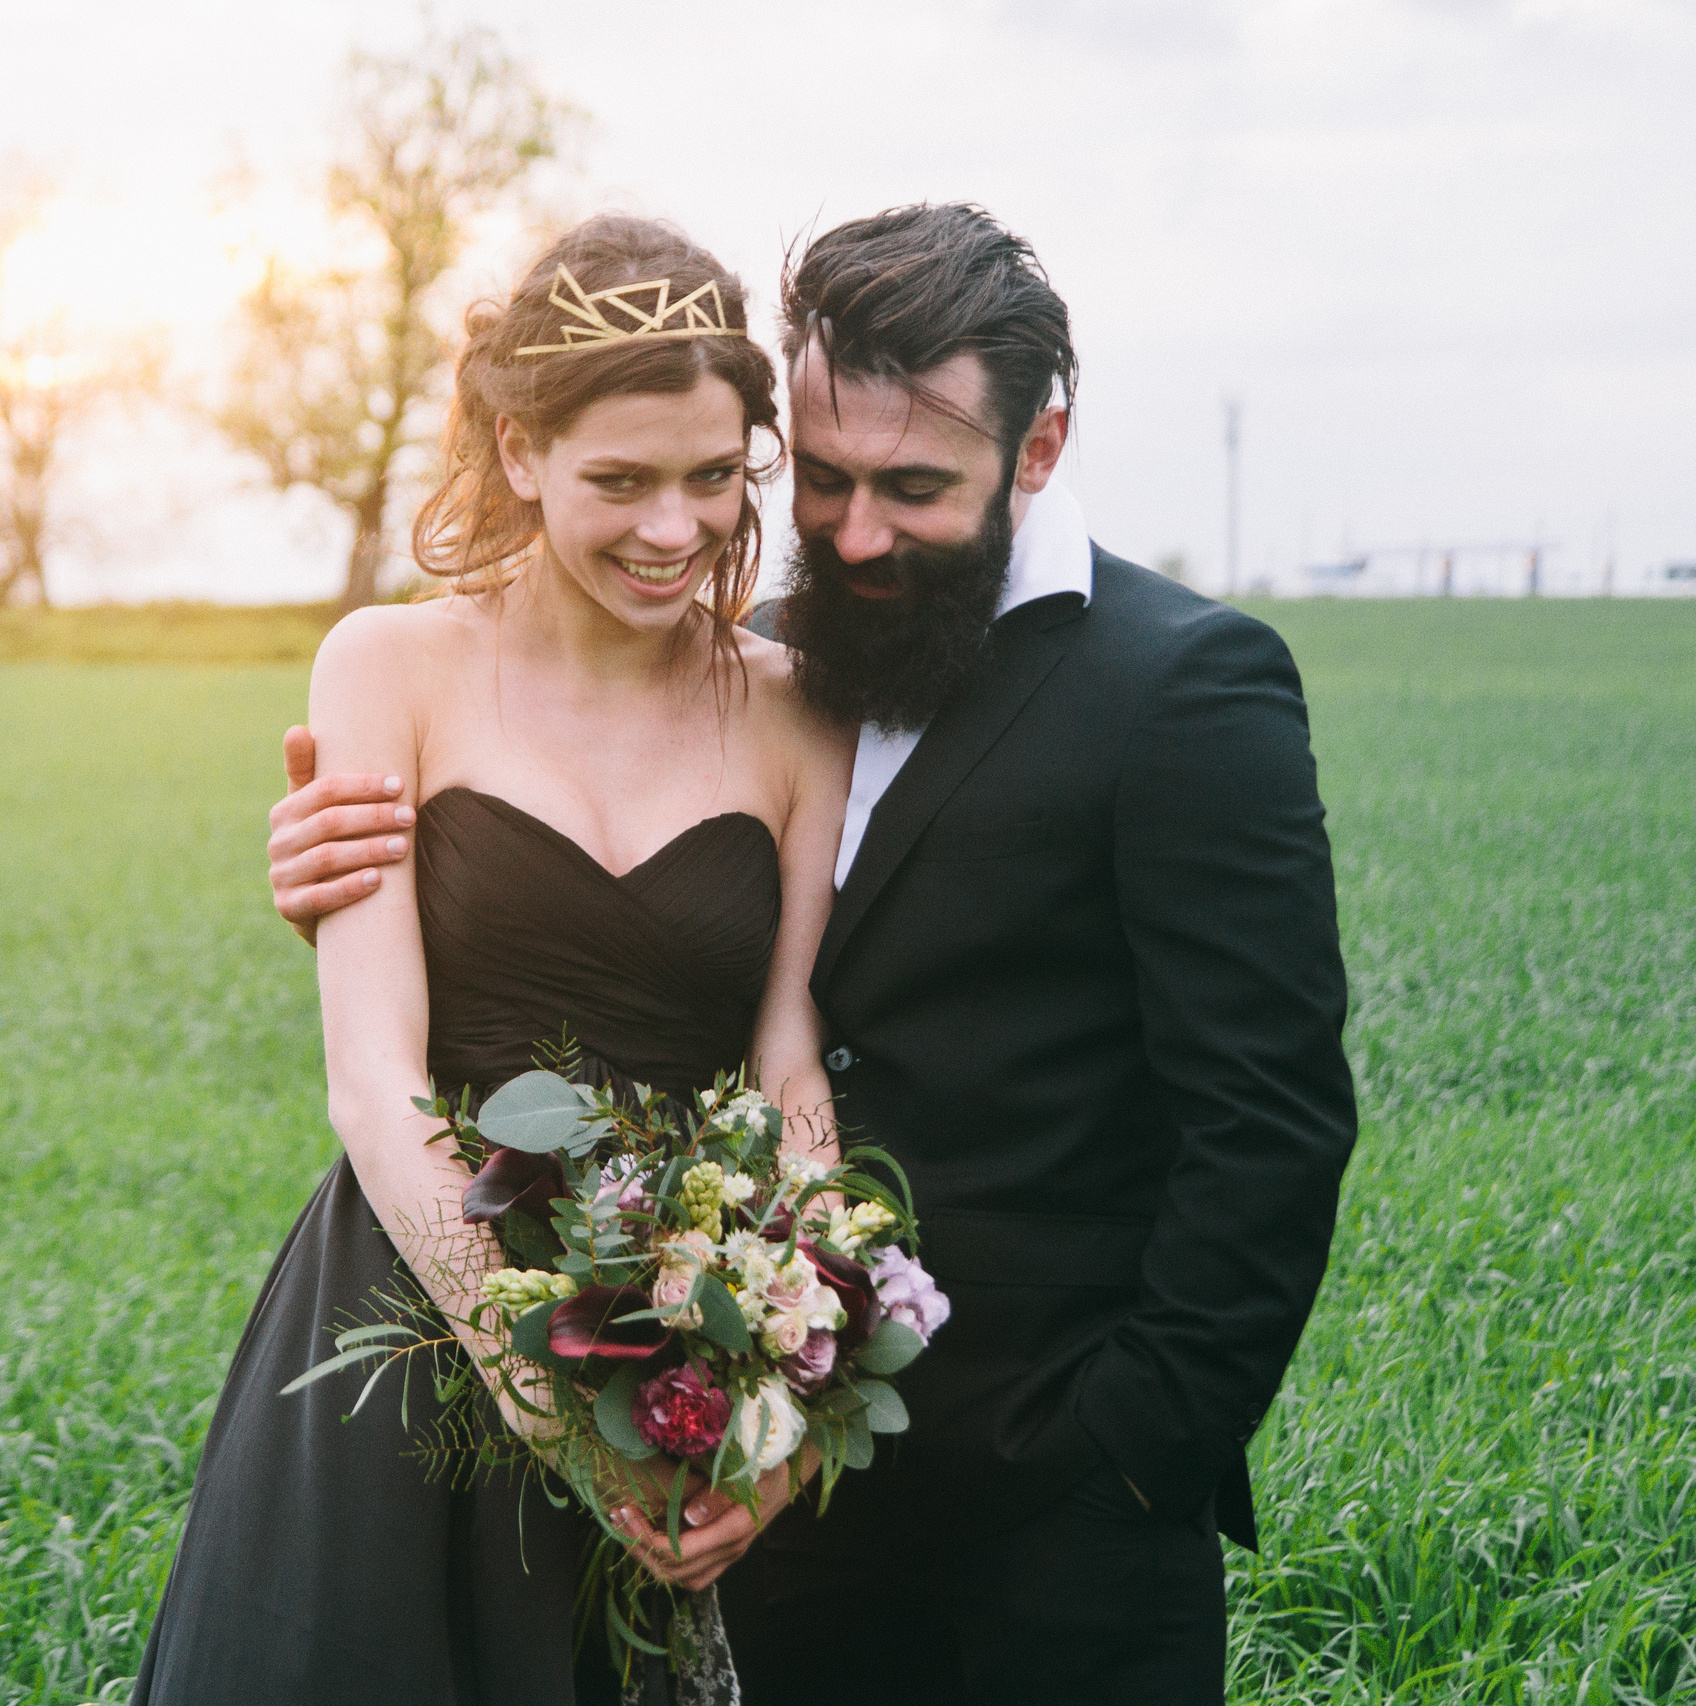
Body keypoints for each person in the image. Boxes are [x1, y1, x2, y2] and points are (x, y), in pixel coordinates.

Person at [267, 204, 1359, 1705]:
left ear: (1037, 451)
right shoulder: (787, 646)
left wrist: (1135, 1456)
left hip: (1055, 1498)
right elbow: (463, 1016)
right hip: (727, 1457)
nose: (851, 533)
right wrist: (367, 883)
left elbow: (1274, 1121)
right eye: (826, 481)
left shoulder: (1181, 686)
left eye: (914, 488)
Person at [133, 215, 858, 1706]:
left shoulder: (799, 710)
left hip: (676, 1329)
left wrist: (784, 1397)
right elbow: (373, 1079)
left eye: (715, 477)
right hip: (403, 1322)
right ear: (519, 451)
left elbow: (790, 1058)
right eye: (622, 480)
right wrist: (551, 1395)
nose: (677, 528)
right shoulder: (388, 666)